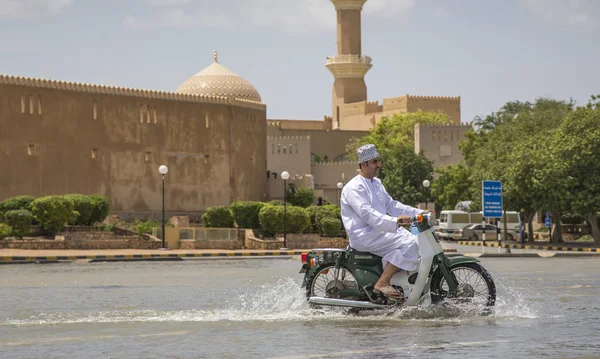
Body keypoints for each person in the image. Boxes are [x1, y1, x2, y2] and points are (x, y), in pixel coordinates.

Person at [340, 144, 432, 299]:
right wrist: (395, 221)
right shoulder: (354, 188)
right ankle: (383, 281)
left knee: (414, 242)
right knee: (412, 243)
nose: (379, 165)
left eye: (379, 161)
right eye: (375, 161)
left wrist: (419, 213)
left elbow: (392, 205)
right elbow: (368, 214)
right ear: (364, 164)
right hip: (364, 235)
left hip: (379, 231)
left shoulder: (376, 183)